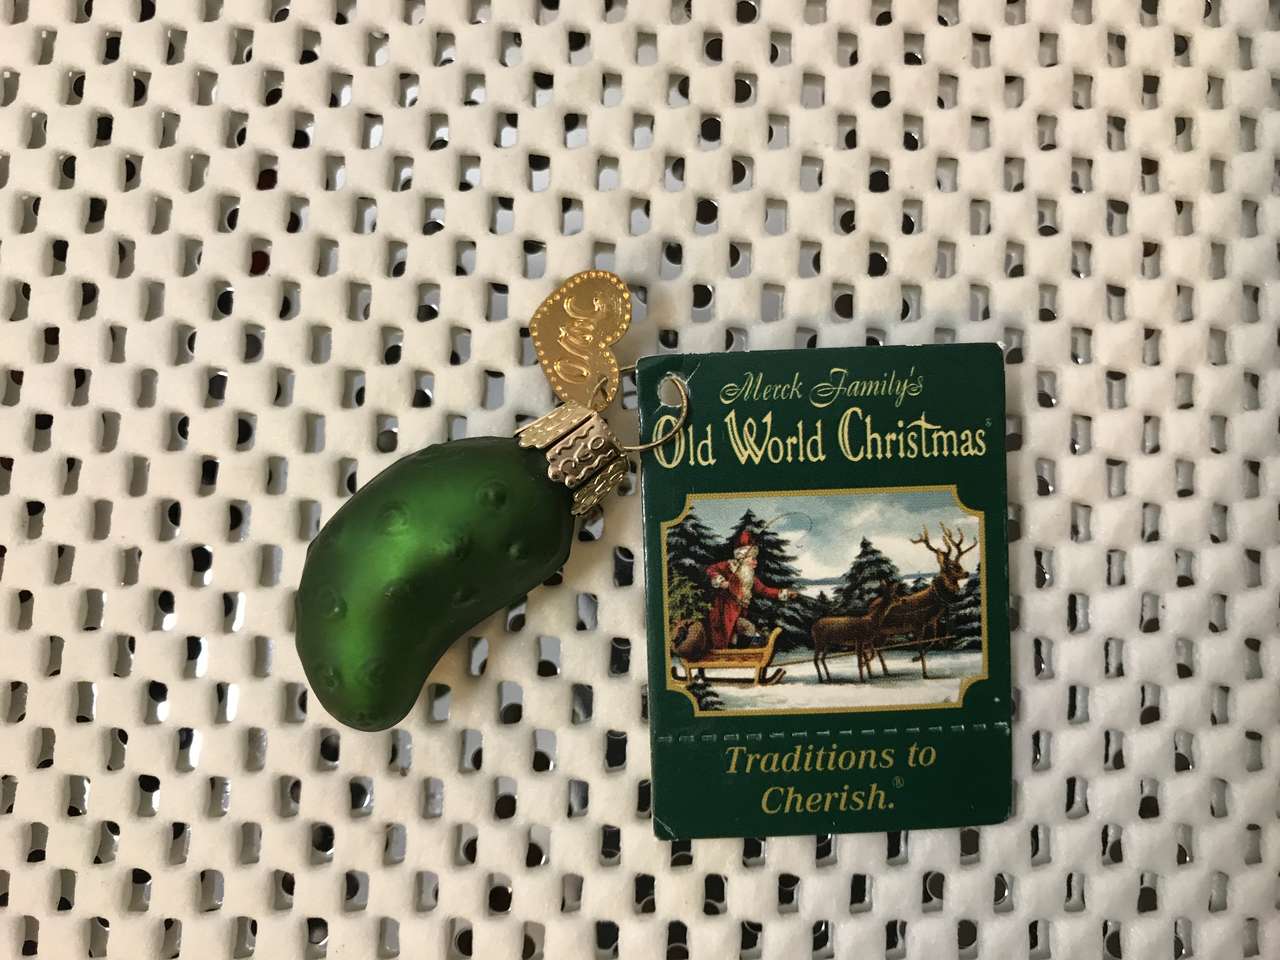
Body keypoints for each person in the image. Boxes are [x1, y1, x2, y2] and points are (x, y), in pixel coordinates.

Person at [704, 530, 795, 649]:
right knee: (736, 634)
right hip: (723, 612)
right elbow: (710, 569)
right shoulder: (728, 566)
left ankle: (742, 653)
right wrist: (720, 581)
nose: (755, 562)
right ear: (743, 558)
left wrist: (784, 593)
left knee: (747, 632)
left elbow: (764, 590)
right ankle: (736, 653)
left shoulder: (750, 577)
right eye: (753, 559)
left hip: (739, 613)